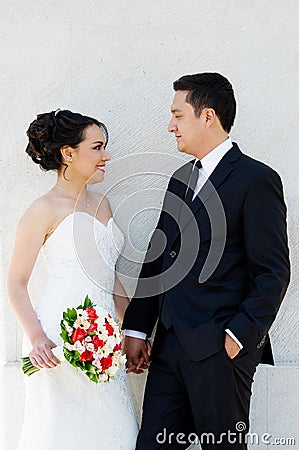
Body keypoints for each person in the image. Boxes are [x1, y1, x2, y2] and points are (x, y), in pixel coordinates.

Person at [122, 73, 290, 449]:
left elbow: (273, 272)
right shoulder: (180, 179)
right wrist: (136, 328)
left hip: (219, 351)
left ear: (208, 116)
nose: (171, 126)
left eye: (178, 115)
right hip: (168, 350)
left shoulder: (256, 179)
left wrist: (237, 338)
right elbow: (158, 258)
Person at [7, 110, 138, 450]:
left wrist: (135, 332)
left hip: (106, 343)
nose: (106, 155)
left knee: (120, 434)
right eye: (97, 147)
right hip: (58, 340)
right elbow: (16, 282)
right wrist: (36, 337)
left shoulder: (104, 204)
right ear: (68, 153)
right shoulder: (43, 209)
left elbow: (110, 279)